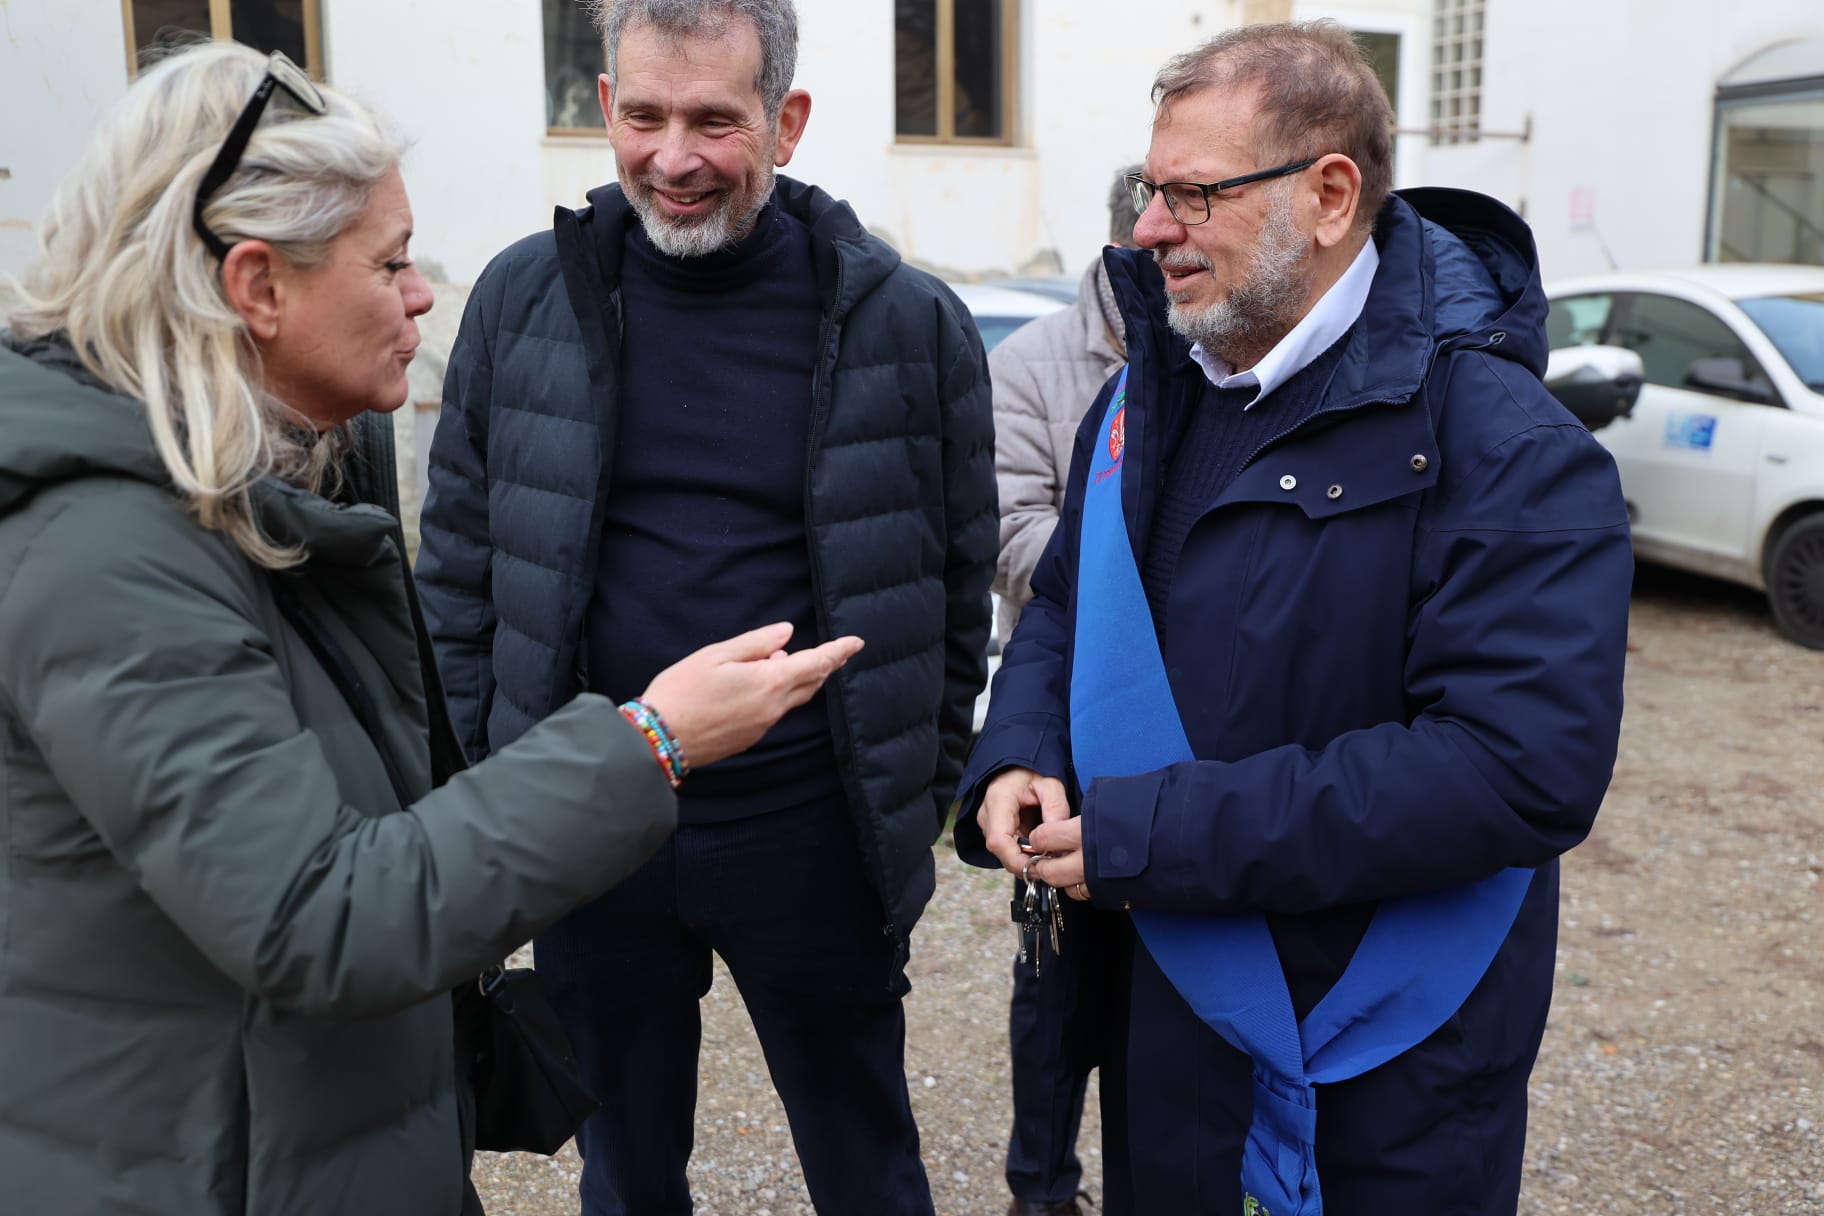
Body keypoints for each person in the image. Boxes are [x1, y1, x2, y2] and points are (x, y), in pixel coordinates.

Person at [0, 42, 859, 1216]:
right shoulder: (109, 554)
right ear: (257, 286)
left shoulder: (251, 488)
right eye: (391, 262)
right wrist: (650, 739)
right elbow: (321, 912)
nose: (418, 293)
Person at [956, 21, 1632, 1215]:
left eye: (1192, 194)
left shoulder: (1510, 446)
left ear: (1329, 197)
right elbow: (1066, 600)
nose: (1150, 228)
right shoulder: (1143, 396)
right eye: (1153, 190)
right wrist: (1022, 750)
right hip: (1159, 1018)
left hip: (1381, 1075)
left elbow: (1518, 770)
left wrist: (1151, 834)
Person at [415, 1, 997, 1213]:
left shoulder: (907, 322)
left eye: (713, 121)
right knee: (624, 1173)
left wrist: (906, 800)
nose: (671, 157)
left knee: (868, 1160)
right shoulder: (522, 301)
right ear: (605, 109)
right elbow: (459, 569)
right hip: (595, 823)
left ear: (785, 122)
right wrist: (507, 776)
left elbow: (951, 585)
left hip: (812, 833)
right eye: (642, 115)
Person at [988, 163, 1142, 1216]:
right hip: (1067, 735)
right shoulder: (1033, 365)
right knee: (1055, 984)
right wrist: (1141, 573)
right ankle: (1041, 1185)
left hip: (1184, 729)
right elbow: (1004, 535)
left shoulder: (1229, 351)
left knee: (1162, 983)